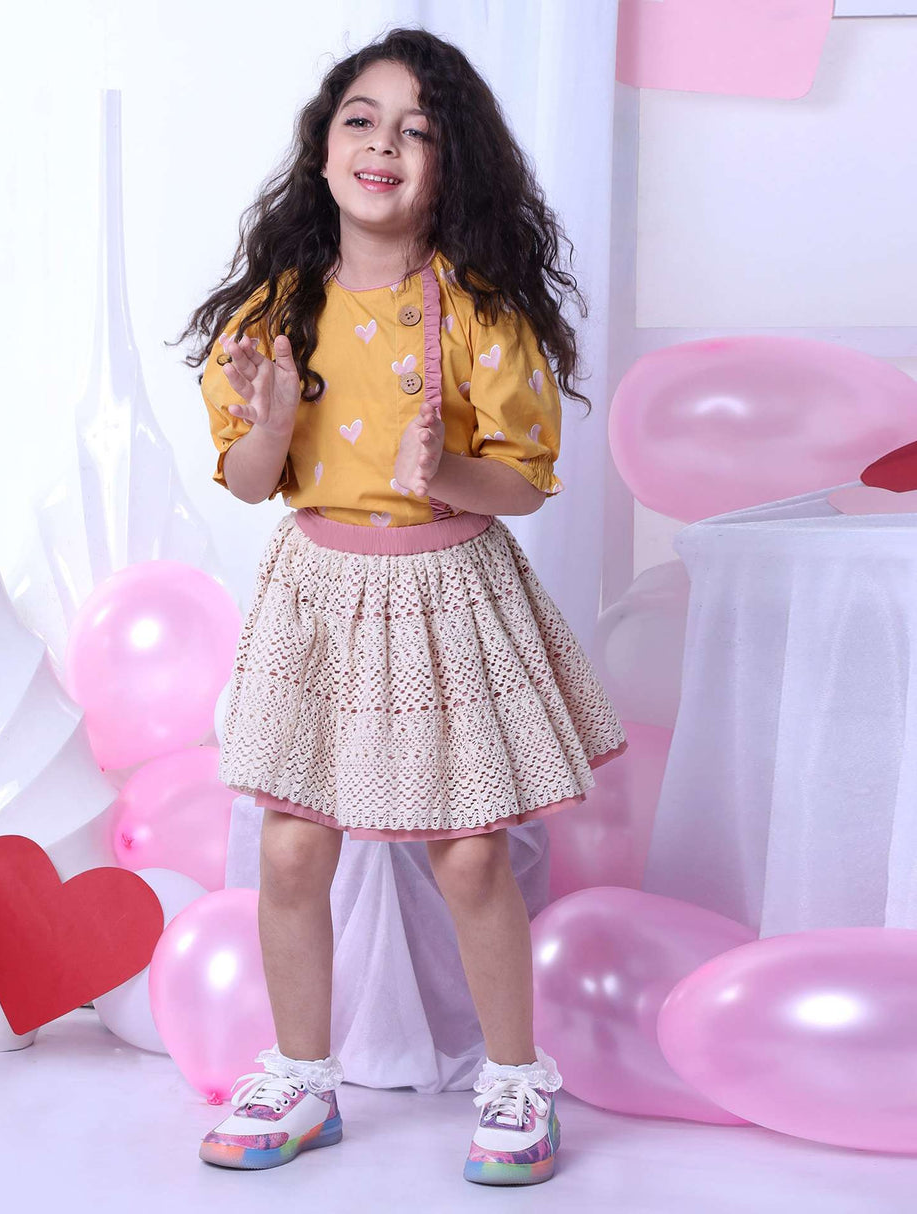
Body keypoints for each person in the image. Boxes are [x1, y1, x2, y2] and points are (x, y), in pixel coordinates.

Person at [170, 26, 627, 1186]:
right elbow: (248, 479)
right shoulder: (277, 309)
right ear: (322, 146)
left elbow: (523, 482)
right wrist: (272, 418)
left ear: (449, 165)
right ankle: (300, 1075)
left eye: (415, 131)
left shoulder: (475, 309)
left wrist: (447, 472)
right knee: (289, 847)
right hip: (320, 594)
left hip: (443, 594)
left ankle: (514, 1081)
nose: (382, 144)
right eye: (360, 120)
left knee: (468, 856)